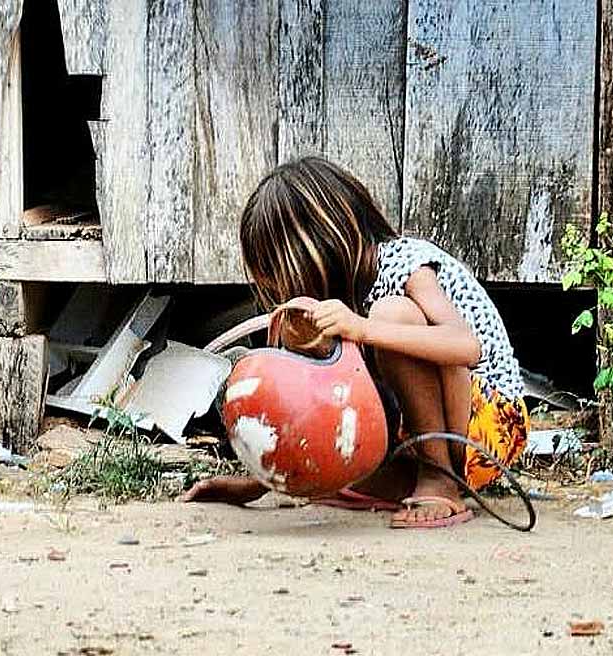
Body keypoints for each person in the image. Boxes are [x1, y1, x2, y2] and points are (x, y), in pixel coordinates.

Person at [181, 156, 529, 529]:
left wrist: (361, 328)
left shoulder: (403, 262)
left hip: (487, 426)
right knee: (329, 474)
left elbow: (465, 346)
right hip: (412, 440)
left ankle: (441, 479)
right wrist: (262, 482)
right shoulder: (342, 305)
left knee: (392, 315)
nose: (280, 287)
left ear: (320, 242)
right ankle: (419, 473)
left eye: (281, 270)